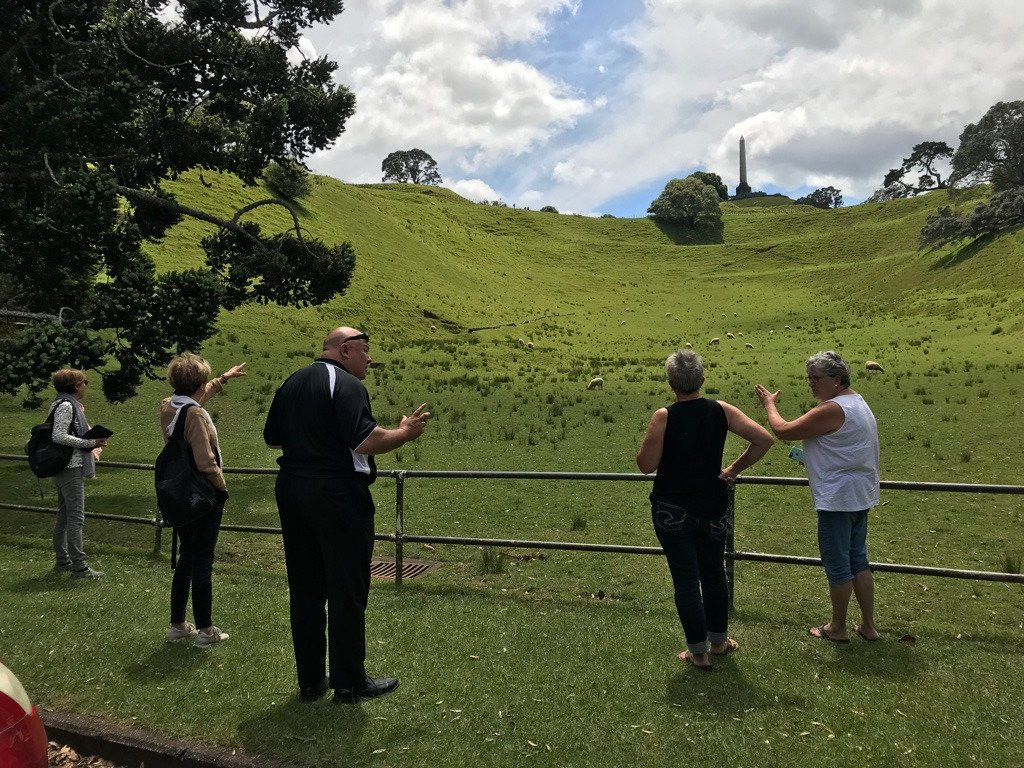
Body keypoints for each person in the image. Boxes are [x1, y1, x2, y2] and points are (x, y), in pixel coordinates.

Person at [264, 327, 430, 704]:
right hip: (337, 495)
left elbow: (273, 438)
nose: (369, 359)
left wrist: (312, 437)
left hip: (292, 490)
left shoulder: (292, 382)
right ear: (345, 349)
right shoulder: (349, 385)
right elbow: (365, 440)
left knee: (306, 589)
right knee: (347, 588)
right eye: (366, 351)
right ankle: (349, 682)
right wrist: (404, 432)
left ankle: (310, 681)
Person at [637, 349, 774, 669]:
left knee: (685, 578)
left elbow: (646, 466)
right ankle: (720, 641)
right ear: (701, 379)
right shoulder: (721, 410)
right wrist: (732, 470)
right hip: (712, 505)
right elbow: (763, 440)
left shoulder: (664, 416)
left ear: (671, 382)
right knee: (713, 573)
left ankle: (698, 652)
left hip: (672, 507)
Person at [755, 350, 881, 643]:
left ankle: (837, 628)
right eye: (808, 378)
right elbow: (844, 447)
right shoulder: (858, 402)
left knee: (838, 563)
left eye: (817, 378)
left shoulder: (832, 409)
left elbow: (783, 430)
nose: (811, 383)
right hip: (860, 494)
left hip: (837, 499)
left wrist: (769, 405)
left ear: (837, 379)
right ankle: (868, 626)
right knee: (858, 560)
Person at [160, 354, 247, 648]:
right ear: (197, 383)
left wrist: (224, 377)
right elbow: (206, 461)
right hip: (202, 494)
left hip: (179, 492)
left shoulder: (170, 406)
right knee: (203, 561)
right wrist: (222, 488)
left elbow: (198, 396)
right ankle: (206, 631)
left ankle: (177, 625)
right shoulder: (195, 415)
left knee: (187, 556)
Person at [48, 368, 109, 579]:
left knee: (65, 514)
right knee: (75, 516)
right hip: (70, 466)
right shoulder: (66, 405)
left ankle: (63, 560)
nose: (85, 386)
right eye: (84, 383)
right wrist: (89, 443)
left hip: (65, 466)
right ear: (75, 386)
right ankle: (79, 566)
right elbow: (58, 436)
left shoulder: (60, 403)